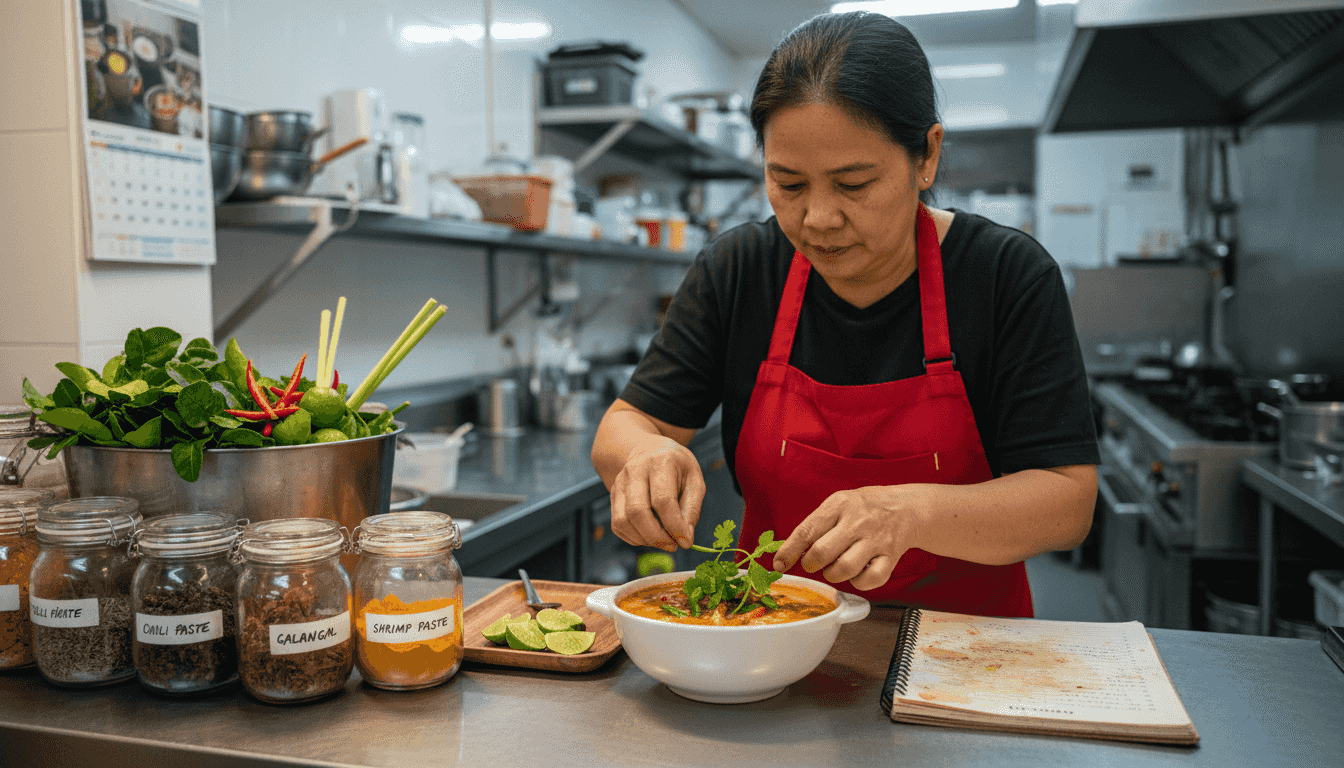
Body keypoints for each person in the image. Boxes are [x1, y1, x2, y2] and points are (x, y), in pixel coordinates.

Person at [590, 11, 1098, 617]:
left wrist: (913, 513)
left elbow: (1067, 502)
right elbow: (623, 428)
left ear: (926, 156)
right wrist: (644, 457)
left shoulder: (1005, 276)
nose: (819, 219)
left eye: (854, 184)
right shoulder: (741, 268)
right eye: (789, 184)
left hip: (963, 654)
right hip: (766, 637)